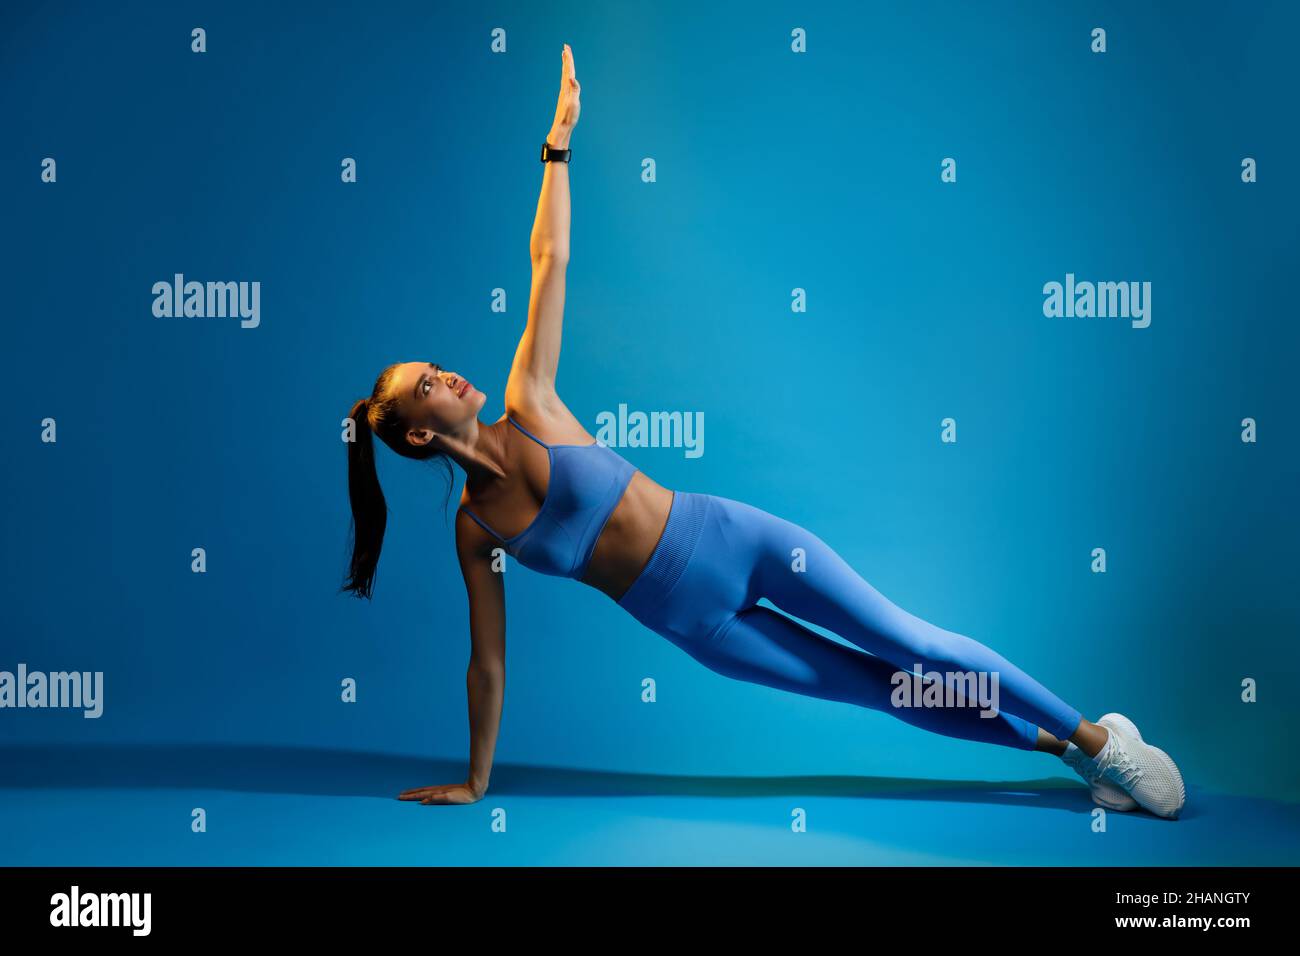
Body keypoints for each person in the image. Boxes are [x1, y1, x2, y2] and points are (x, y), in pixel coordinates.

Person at [342, 44, 1185, 819]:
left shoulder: (530, 397)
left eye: (435, 366)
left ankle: (1103, 741)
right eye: (428, 385)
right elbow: (486, 663)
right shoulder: (475, 530)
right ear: (419, 436)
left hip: (735, 542)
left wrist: (556, 144)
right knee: (883, 691)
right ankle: (1064, 758)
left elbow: (549, 260)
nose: (446, 375)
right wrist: (478, 779)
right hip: (697, 628)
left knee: (909, 643)